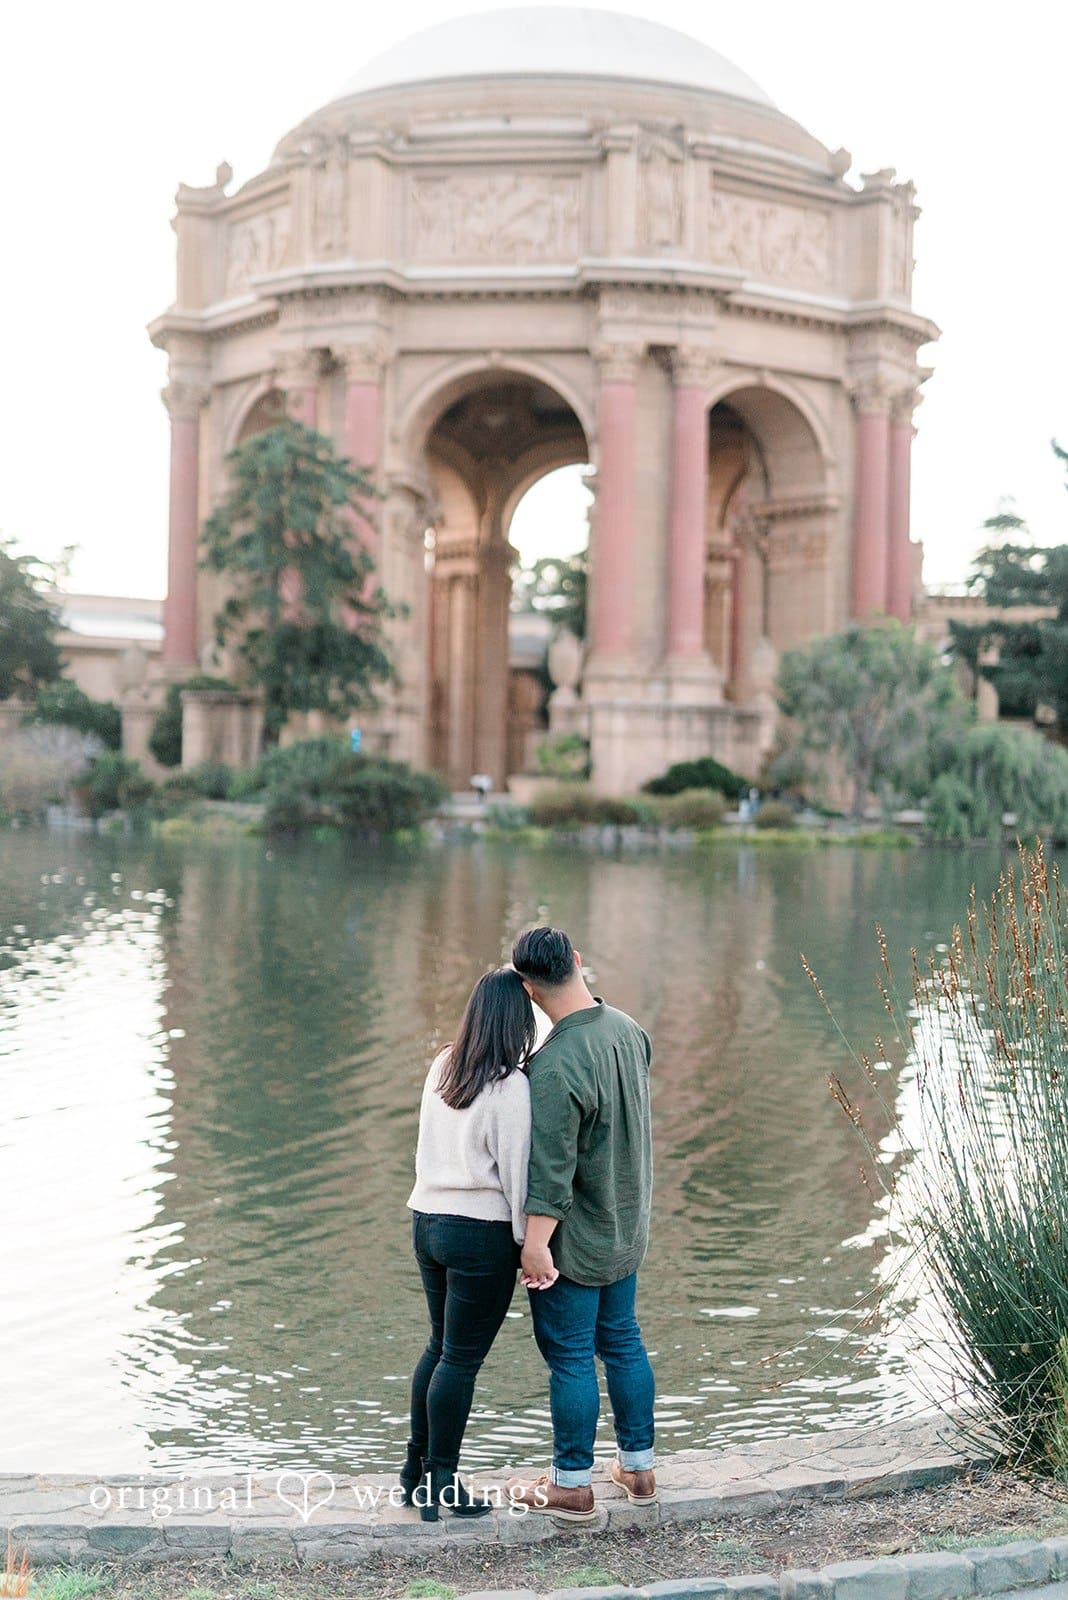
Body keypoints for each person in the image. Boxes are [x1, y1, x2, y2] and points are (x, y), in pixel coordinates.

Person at [505, 927, 657, 1521]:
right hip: (627, 1225)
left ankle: (571, 1484)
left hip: (574, 1240)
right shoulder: (628, 1029)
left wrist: (535, 1247)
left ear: (528, 988)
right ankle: (638, 1470)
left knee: (569, 1357)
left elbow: (550, 1172)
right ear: (575, 960)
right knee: (622, 1342)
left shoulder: (552, 1067)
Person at [404, 966, 554, 1520]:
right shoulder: (510, 1085)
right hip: (479, 1233)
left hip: (427, 1221)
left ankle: (415, 1471)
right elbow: (517, 1177)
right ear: (517, 1021)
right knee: (461, 1360)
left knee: (439, 1347)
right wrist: (527, 1245)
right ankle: (443, 1480)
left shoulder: (443, 1064)